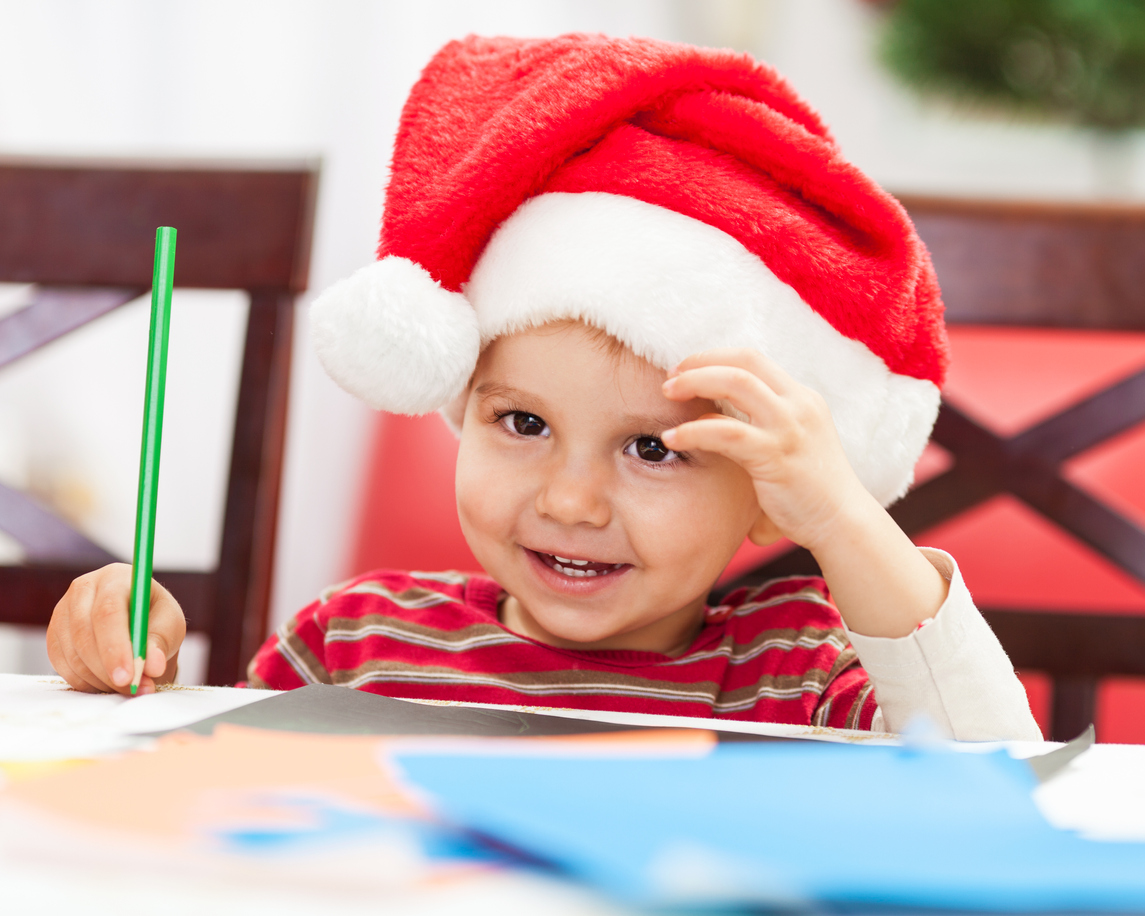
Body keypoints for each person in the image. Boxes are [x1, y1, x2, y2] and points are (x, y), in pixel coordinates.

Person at [46, 34, 1040, 741]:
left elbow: (984, 762)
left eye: (652, 447)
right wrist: (130, 679)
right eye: (522, 421)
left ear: (763, 495)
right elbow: (206, 800)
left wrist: (840, 513)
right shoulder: (356, 644)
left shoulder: (797, 676)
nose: (568, 501)